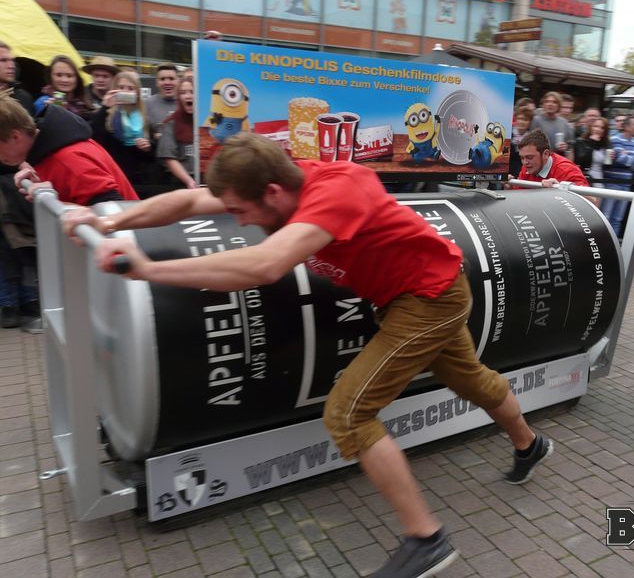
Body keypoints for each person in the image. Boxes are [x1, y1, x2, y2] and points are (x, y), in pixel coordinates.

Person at [61, 132, 554, 578]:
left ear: (273, 192)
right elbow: (190, 200)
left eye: (241, 212)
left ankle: (426, 540)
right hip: (411, 294)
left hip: (429, 298)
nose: (239, 220)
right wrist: (109, 220)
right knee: (470, 379)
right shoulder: (271, 182)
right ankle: (530, 445)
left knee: (349, 414)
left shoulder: (338, 191)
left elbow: (265, 265)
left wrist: (148, 269)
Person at [0, 94, 138, 205]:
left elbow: (113, 211)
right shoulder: (48, 150)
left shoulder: (68, 159)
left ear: (15, 137)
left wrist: (51, 202)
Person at [0, 42, 38, 331]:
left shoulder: (22, 96)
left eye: (11, 60)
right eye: (3, 60)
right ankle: (7, 303)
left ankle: (29, 300)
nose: (10, 64)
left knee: (23, 243)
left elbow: (25, 138)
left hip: (16, 184)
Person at [90, 71, 153, 192]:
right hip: (110, 176)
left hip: (135, 180)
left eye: (130, 88)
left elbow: (149, 157)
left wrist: (147, 148)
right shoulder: (106, 115)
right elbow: (95, 137)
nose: (125, 91)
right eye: (121, 88)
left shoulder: (144, 117)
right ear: (114, 90)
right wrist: (105, 107)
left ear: (137, 93)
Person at [513, 129, 598, 205]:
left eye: (530, 157)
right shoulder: (527, 166)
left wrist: (561, 189)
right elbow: (517, 196)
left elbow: (592, 201)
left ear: (546, 154)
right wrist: (509, 185)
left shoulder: (566, 170)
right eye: (522, 158)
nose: (525, 162)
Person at [601, 116, 634, 237]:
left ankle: (613, 243)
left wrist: (625, 157)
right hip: (612, 183)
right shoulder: (615, 139)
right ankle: (602, 241)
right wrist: (630, 160)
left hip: (627, 184)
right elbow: (617, 158)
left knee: (618, 218)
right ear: (627, 127)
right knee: (606, 216)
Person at [157, 78, 197, 189]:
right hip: (182, 183)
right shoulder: (171, 123)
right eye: (183, 93)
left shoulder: (208, 122)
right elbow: (169, 158)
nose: (188, 96)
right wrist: (189, 181)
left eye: (192, 92)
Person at [34, 55, 94, 120]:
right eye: (59, 75)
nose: (64, 80)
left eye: (69, 76)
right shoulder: (43, 102)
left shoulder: (86, 101)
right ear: (50, 77)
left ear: (77, 78)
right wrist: (49, 112)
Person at [533, 91, 573, 161]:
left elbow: (570, 148)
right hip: (540, 160)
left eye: (554, 102)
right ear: (543, 104)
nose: (550, 104)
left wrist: (565, 147)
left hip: (558, 161)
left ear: (559, 105)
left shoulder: (564, 123)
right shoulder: (536, 120)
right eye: (547, 101)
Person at [574, 116, 613, 188]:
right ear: (591, 127)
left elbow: (607, 166)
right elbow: (580, 161)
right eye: (596, 126)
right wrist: (591, 143)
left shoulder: (606, 144)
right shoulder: (581, 142)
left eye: (602, 128)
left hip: (599, 179)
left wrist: (612, 158)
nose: (598, 129)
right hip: (585, 178)